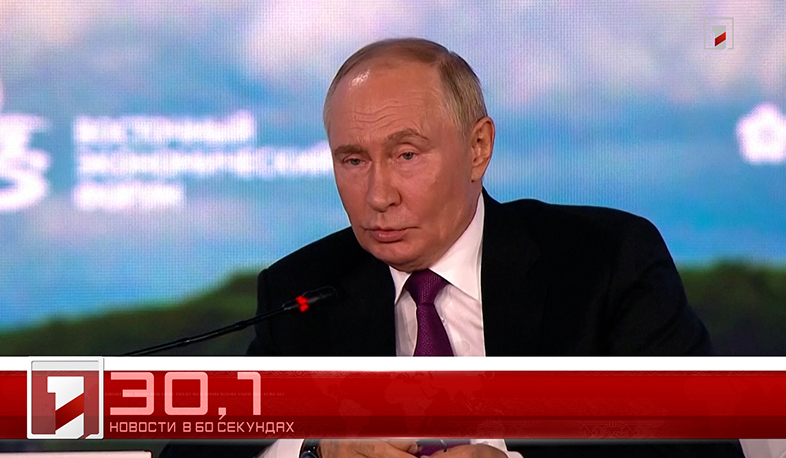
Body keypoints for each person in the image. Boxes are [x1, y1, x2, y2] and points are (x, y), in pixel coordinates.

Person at [163, 38, 744, 458]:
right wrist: (316, 449)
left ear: (477, 148)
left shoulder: (604, 261)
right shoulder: (304, 291)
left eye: (407, 155)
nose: (379, 195)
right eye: (354, 160)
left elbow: (703, 449)